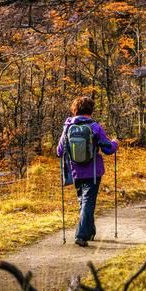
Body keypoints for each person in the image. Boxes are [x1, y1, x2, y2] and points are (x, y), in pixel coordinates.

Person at [57, 96, 118, 247]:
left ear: (75, 109)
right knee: (88, 202)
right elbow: (108, 149)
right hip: (93, 172)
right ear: (91, 110)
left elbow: (59, 151)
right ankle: (81, 235)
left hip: (75, 171)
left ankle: (89, 231)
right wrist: (116, 143)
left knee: (84, 202)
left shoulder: (68, 127)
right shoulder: (95, 127)